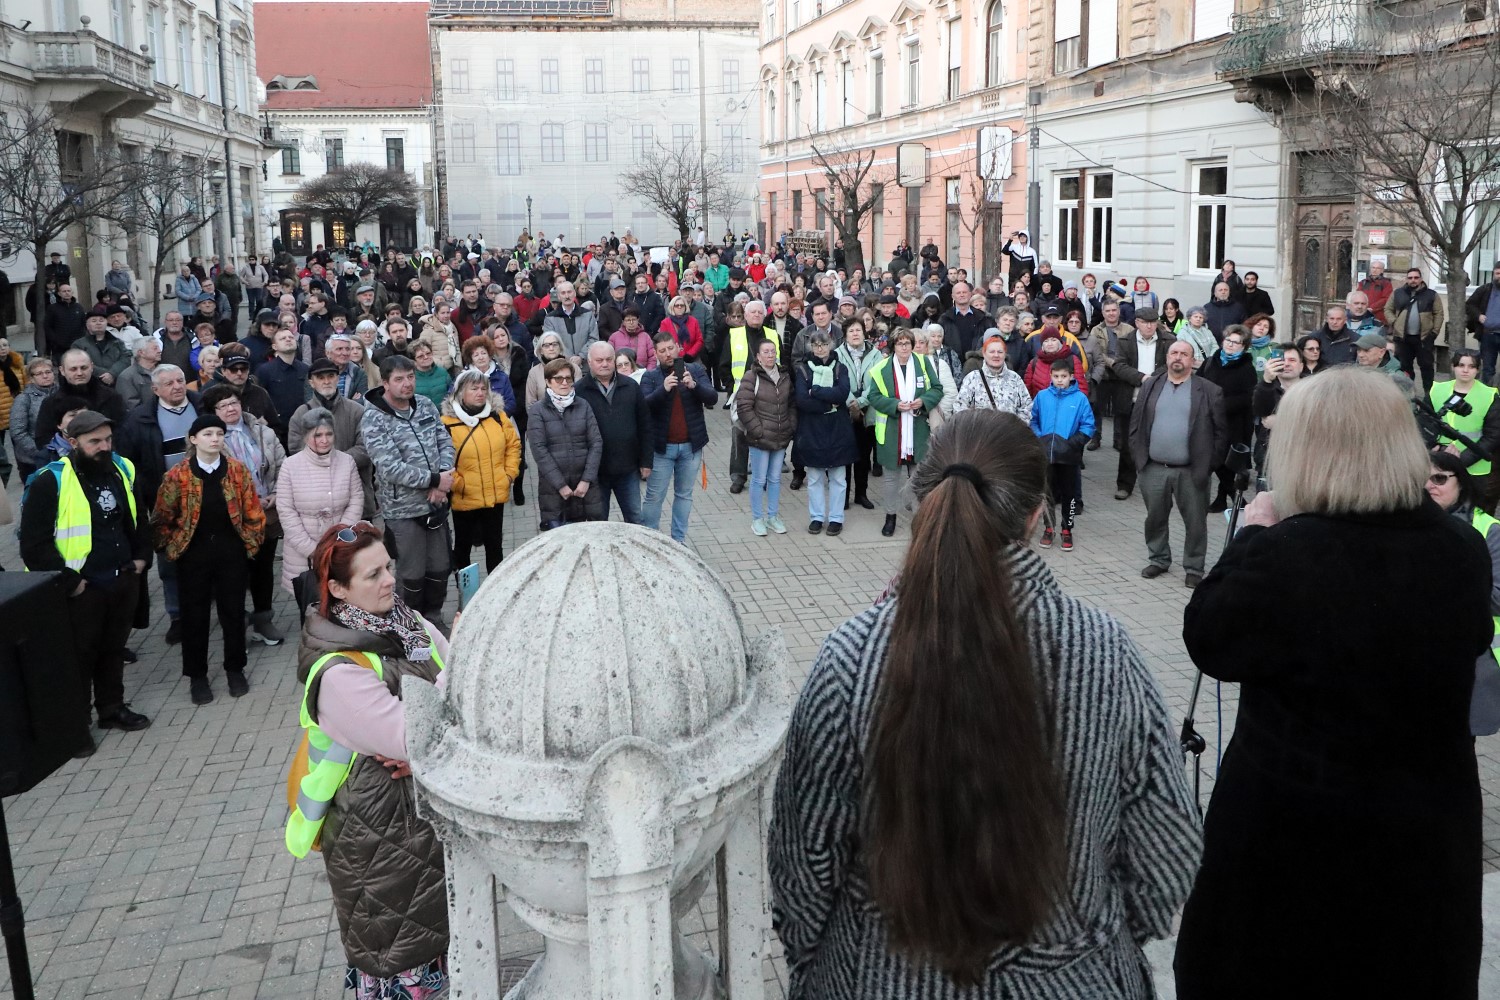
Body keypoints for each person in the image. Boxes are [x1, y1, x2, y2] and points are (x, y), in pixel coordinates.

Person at [770, 407, 1200, 999]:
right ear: (1037, 513)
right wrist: (1087, 943)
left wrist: (825, 973)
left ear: (921, 501)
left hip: (877, 980)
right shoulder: (1106, 651)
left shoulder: (848, 656)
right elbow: (1167, 853)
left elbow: (802, 869)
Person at [1174, 368, 1488, 999]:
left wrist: (1252, 533)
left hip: (1295, 839)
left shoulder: (1288, 551)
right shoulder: (1459, 547)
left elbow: (1210, 638)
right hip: (1424, 831)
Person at [290, 522, 450, 999]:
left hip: (419, 823)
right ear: (338, 589)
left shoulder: (408, 623)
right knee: (400, 956)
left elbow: (452, 696)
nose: (390, 581)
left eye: (389, 567)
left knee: (442, 946)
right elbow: (408, 735)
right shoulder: (338, 672)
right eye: (373, 574)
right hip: (379, 841)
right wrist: (460, 668)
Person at [19, 410, 153, 750]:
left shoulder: (121, 469)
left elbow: (137, 517)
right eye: (95, 441)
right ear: (72, 442)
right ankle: (75, 728)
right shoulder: (50, 481)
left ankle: (111, 709)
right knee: (77, 660)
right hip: (80, 589)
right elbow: (33, 545)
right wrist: (71, 582)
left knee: (112, 650)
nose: (104, 447)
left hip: (121, 579)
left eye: (108, 439)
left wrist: (141, 558)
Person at [151, 412, 266, 704]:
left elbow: (253, 511)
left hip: (231, 552)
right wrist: (173, 548)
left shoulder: (237, 471)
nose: (215, 439)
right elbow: (162, 517)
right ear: (193, 439)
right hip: (193, 555)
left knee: (233, 612)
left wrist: (250, 544)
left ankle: (235, 669)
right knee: (194, 616)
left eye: (219, 434)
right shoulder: (177, 475)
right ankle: (197, 676)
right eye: (207, 434)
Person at [361, 355, 457, 629]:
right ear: (385, 383)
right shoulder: (373, 419)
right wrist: (435, 480)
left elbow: (445, 442)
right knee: (412, 574)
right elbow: (390, 468)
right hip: (403, 511)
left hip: (436, 504)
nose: (407, 384)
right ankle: (409, 627)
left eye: (411, 377)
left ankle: (434, 619)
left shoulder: (425, 405)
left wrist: (442, 479)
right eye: (399, 379)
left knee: (439, 568)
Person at [1129, 340, 1228, 588]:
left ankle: (1194, 567)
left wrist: (1209, 465)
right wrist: (1138, 456)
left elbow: (1221, 434)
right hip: (1153, 468)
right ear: (1167, 358)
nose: (1178, 357)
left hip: (1192, 471)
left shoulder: (1209, 390)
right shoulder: (1151, 385)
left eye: (1184, 354)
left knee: (1195, 522)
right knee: (1155, 518)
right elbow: (1136, 423)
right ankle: (1159, 559)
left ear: (1193, 361)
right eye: (1174, 352)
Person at [201, 384, 287, 645]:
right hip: (232, 519)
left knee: (263, 570)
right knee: (234, 574)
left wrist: (276, 493)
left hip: (266, 513)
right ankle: (236, 627)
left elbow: (282, 465)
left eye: (233, 402)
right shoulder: (208, 439)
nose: (230, 409)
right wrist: (247, 502)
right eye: (223, 405)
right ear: (214, 411)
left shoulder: (262, 431)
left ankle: (263, 620)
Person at [277, 407, 362, 613]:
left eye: (328, 434)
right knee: (313, 611)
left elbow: (356, 499)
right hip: (304, 554)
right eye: (317, 435)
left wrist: (340, 538)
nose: (324, 440)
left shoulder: (347, 461)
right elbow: (286, 511)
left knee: (345, 606)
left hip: (340, 547)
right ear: (306, 436)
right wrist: (313, 551)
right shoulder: (290, 466)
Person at [866, 328, 945, 537]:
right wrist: (894, 405)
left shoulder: (923, 363)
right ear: (894, 346)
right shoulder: (881, 368)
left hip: (918, 431)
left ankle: (920, 519)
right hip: (892, 431)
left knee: (918, 477)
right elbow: (874, 396)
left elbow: (937, 389)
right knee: (891, 478)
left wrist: (923, 401)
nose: (904, 347)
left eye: (908, 343)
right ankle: (890, 516)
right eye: (900, 344)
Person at [640, 330, 717, 542]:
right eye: (662, 351)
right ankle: (650, 541)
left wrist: (694, 386)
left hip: (691, 447)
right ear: (655, 353)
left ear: (678, 348)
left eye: (670, 348)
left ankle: (678, 541)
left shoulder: (695, 370)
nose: (668, 354)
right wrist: (662, 390)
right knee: (654, 497)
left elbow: (712, 398)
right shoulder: (650, 377)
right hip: (661, 449)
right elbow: (643, 407)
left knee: (684, 495)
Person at [575, 341, 652, 524]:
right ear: (589, 362)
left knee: (635, 519)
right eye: (599, 360)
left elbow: (645, 425)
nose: (605, 364)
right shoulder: (579, 391)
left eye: (609, 359)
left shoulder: (631, 386)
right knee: (599, 522)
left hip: (628, 468)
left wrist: (646, 461)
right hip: (596, 472)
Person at [527, 357, 604, 529]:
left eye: (568, 378)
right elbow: (539, 450)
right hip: (553, 489)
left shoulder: (583, 405)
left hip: (585, 487)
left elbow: (596, 443)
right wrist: (561, 485)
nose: (564, 383)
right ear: (548, 381)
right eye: (558, 379)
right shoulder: (538, 410)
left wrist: (587, 479)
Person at [794, 330, 856, 535]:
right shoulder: (803, 369)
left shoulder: (840, 368)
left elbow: (842, 393)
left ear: (830, 344)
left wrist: (816, 391)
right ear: (811, 347)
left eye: (823, 344)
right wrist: (829, 406)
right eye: (815, 345)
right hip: (812, 429)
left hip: (838, 429)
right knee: (814, 478)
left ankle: (836, 518)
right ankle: (817, 517)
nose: (820, 349)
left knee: (838, 477)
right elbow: (802, 400)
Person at [1030, 357, 1095, 551]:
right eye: (1056, 376)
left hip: (1069, 457)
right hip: (1046, 455)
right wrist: (1040, 438)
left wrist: (1073, 443)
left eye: (1064, 376)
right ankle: (1048, 528)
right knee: (1047, 494)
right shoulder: (1042, 397)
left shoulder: (1080, 399)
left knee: (1069, 495)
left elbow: (1088, 425)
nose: (1060, 380)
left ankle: (1067, 529)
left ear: (1071, 377)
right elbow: (1033, 420)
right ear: (1050, 376)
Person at [736, 339, 797, 536]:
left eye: (773, 351)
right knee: (759, 479)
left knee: (775, 478)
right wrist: (757, 430)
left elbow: (791, 404)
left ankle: (772, 517)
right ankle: (757, 519)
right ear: (758, 356)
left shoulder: (784, 376)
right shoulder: (751, 376)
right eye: (766, 352)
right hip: (759, 439)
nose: (770, 355)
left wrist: (791, 426)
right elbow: (744, 407)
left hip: (780, 436)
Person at [1430, 347, 1500, 511]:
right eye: (1461, 365)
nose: (1465, 370)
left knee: (1475, 514)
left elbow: (1492, 437)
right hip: (1439, 465)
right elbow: (1425, 424)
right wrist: (1436, 451)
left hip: (1475, 469)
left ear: (1478, 370)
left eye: (1471, 366)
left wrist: (1461, 460)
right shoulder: (1437, 390)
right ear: (1453, 366)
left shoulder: (1489, 395)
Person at [1198, 326, 1259, 512]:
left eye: (1236, 342)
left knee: (1227, 460)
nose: (1230, 345)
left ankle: (1225, 497)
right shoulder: (1211, 361)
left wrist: (1220, 405)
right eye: (1228, 340)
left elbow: (1248, 397)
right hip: (1208, 420)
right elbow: (1197, 383)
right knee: (1214, 456)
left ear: (1244, 346)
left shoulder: (1247, 368)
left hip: (1234, 422)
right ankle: (1230, 495)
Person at [1385, 266, 1445, 390]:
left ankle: (1429, 395)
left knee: (1427, 367)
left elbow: (1439, 314)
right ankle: (1409, 393)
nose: (1413, 280)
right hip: (1403, 338)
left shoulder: (1431, 295)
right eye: (1410, 278)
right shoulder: (1397, 293)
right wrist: (1395, 322)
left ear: (1421, 279)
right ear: (1406, 279)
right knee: (1404, 367)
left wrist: (1434, 332)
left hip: (1424, 338)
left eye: (1416, 277)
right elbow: (1388, 309)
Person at [953, 332, 1032, 419]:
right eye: (992, 352)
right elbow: (960, 407)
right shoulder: (972, 378)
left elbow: (1027, 407)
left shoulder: (1015, 378)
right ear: (984, 354)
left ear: (1005, 354)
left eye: (1000, 352)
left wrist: (1016, 425)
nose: (996, 355)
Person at [1251, 342, 1304, 470]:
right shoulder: (1265, 388)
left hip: (1303, 456)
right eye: (1282, 360)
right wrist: (1267, 380)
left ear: (1301, 366)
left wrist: (1281, 422)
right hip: (1270, 458)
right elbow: (1260, 411)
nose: (1286, 364)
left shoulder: (1313, 389)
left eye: (1292, 360)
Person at [11, 355, 55, 481]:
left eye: (48, 372)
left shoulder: (61, 393)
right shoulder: (24, 399)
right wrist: (40, 452)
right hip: (32, 461)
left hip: (61, 455)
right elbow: (18, 432)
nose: (45, 376)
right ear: (31, 378)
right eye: (39, 373)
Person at [411, 339, 453, 410]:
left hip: (444, 414)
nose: (426, 357)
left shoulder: (443, 373)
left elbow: (452, 395)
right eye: (420, 356)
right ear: (414, 360)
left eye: (428, 353)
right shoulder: (411, 378)